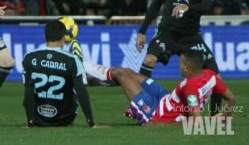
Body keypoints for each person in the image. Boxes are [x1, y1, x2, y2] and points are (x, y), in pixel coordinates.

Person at [135, 0, 222, 116]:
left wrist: (187, 7)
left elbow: (207, 5)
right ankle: (141, 106)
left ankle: (215, 114)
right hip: (166, 34)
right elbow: (155, 5)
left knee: (214, 75)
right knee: (149, 60)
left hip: (190, 37)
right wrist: (142, 32)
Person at [80, 49, 235, 126]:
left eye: (181, 64)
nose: (179, 67)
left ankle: (81, 64)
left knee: (121, 74)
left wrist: (215, 121)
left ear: (188, 68)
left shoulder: (190, 87)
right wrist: (226, 118)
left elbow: (197, 121)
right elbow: (231, 99)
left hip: (155, 113)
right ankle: (82, 81)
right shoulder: (211, 75)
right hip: (164, 98)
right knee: (127, 72)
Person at [22, 20, 99, 128]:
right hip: (65, 119)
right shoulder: (71, 59)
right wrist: (91, 123)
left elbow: (28, 95)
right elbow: (82, 92)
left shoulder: (29, 57)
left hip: (38, 119)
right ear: (64, 37)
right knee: (77, 84)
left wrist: (30, 123)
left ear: (44, 37)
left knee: (32, 87)